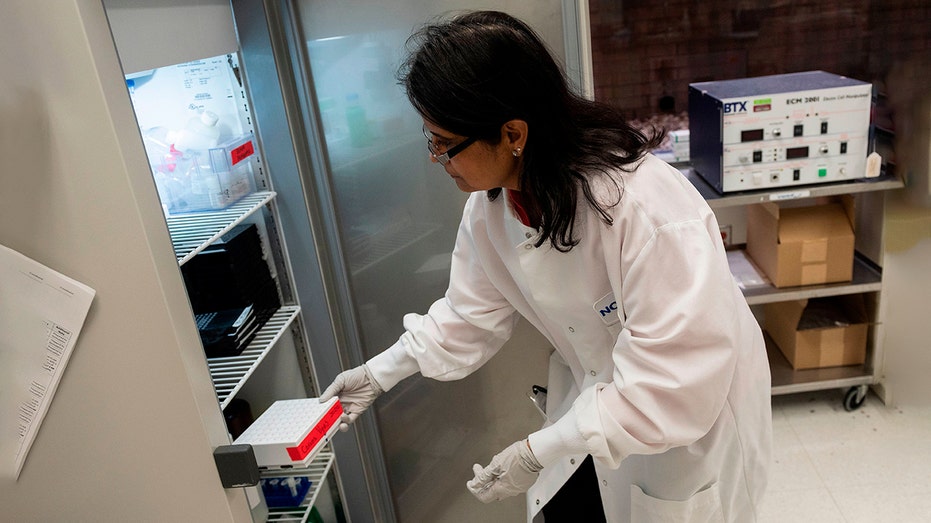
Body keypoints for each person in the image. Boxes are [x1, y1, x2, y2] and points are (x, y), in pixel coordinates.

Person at [320, 10, 772, 522]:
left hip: (687, 413)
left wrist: (538, 450)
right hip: (600, 400)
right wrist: (378, 374)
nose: (435, 159)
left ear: (513, 133)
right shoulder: (494, 208)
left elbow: (674, 381)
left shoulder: (645, 209)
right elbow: (469, 314)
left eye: (445, 145)